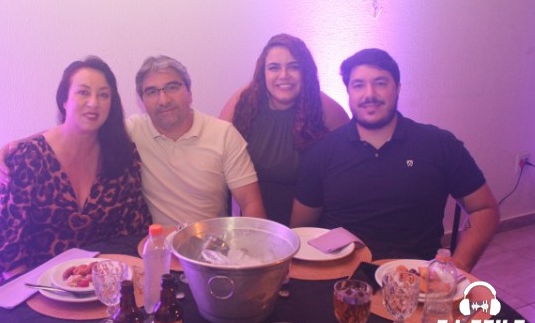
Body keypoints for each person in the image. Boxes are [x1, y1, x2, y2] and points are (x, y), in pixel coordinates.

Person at [290, 48, 499, 272]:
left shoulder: (439, 145)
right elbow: (301, 230)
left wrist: (457, 267)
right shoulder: (322, 153)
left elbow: (485, 209)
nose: (369, 94)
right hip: (341, 279)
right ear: (349, 92)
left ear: (397, 88)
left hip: (416, 279)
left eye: (380, 83)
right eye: (358, 85)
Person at [0, 56, 151, 279]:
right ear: (64, 100)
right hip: (36, 285)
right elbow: (5, 253)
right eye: (83, 92)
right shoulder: (27, 159)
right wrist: (34, 293)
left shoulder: (122, 156)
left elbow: (134, 233)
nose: (94, 103)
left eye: (104, 95)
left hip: (103, 283)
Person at [219, 34, 349, 225]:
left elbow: (350, 164)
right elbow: (217, 151)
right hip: (254, 224)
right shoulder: (243, 101)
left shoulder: (326, 109)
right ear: (263, 73)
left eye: (294, 67)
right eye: (274, 67)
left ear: (306, 72)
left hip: (311, 228)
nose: (284, 76)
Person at [128, 55, 266, 225]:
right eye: (152, 92)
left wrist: (252, 240)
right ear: (142, 101)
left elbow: (251, 203)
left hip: (211, 239)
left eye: (172, 87)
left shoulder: (223, 135)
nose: (163, 100)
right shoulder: (133, 132)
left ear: (190, 93)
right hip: (158, 240)